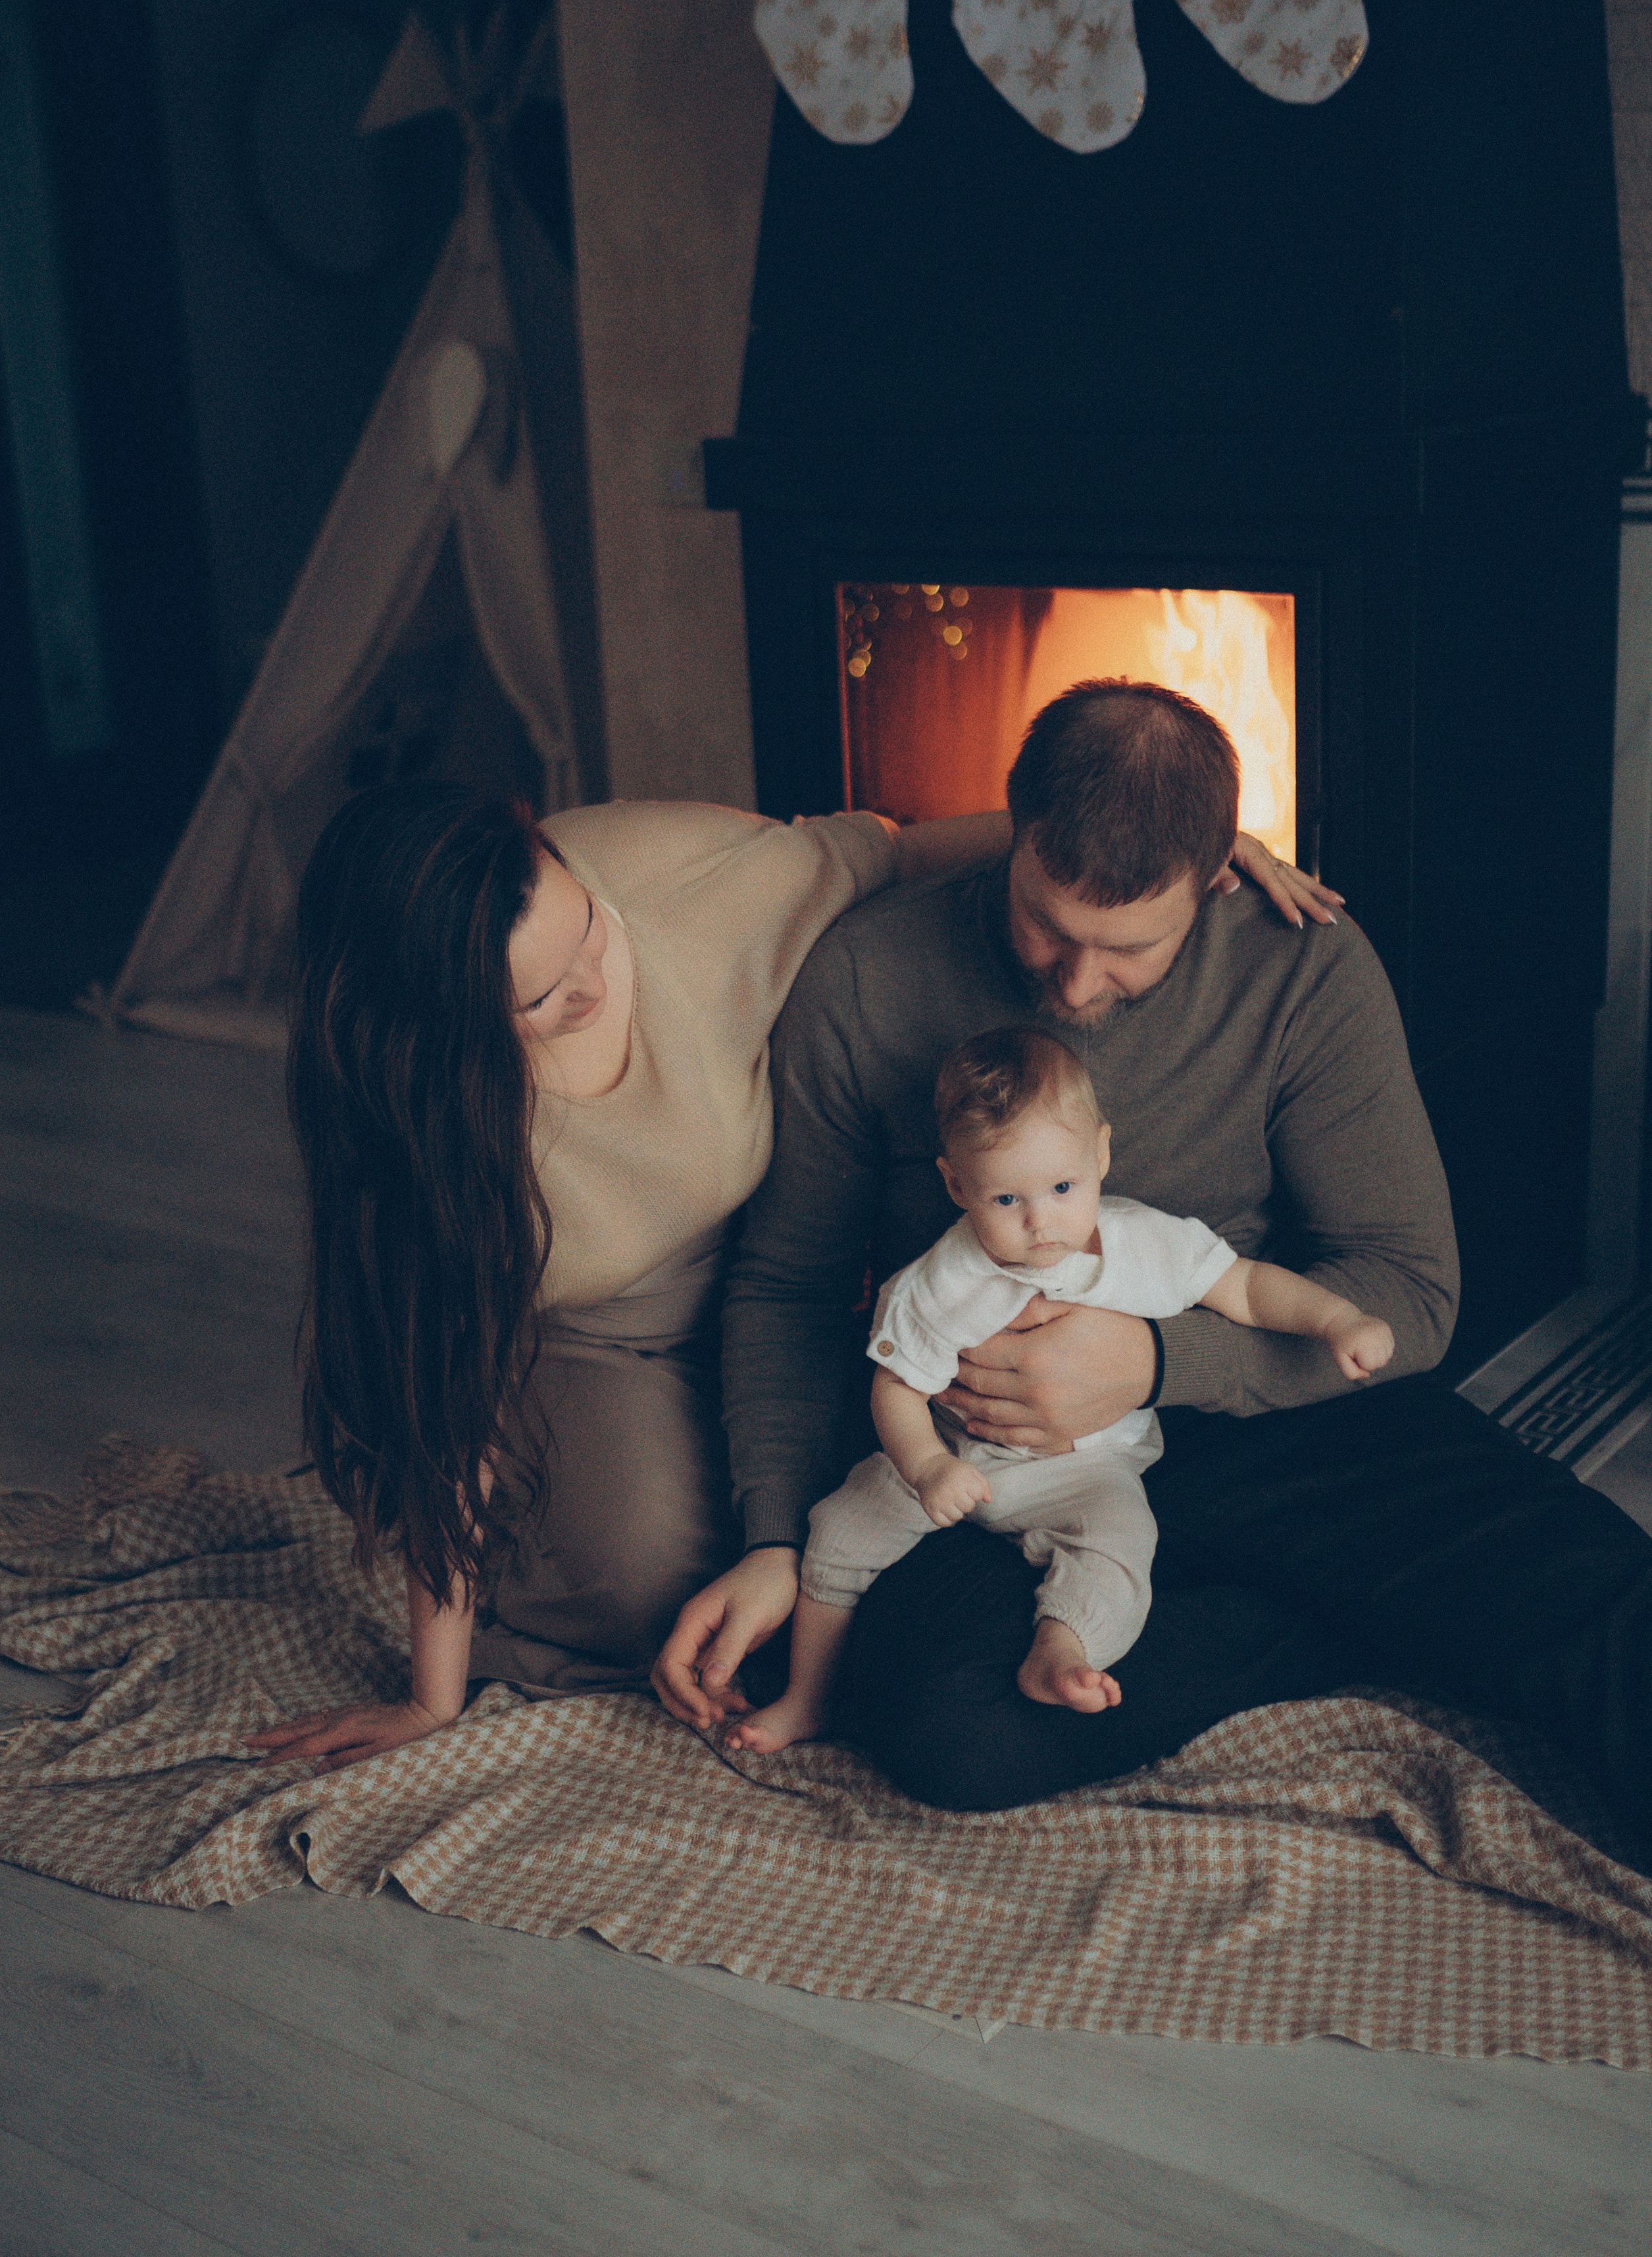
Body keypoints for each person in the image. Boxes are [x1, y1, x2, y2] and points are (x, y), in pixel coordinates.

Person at [654, 680, 1652, 1850]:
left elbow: (1410, 1286)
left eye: (1128, 947)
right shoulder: (868, 977)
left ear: (1218, 871)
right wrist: (775, 1533)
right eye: (1046, 924)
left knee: (1585, 1593)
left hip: (1267, 1404)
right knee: (946, 1727)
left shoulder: (1300, 966)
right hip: (996, 1462)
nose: (1075, 986)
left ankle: (1328, 1585)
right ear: (1013, 832)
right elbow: (784, 1285)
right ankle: (1333, 1616)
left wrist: (1157, 1358)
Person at [244, 774, 1324, 1773]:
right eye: (543, 1000)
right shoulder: (417, 1122)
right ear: (446, 1023)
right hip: (593, 1330)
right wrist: (432, 1697)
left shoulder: (677, 871)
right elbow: (442, 1405)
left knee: (858, 1523)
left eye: (583, 932)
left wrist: (1174, 849)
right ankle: (551, 1506)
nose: (591, 979)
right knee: (675, 1595)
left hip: (783, 1281)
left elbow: (896, 849)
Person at [730, 1025, 1392, 1755]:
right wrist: (925, 1466)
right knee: (840, 1531)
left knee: (1120, 1537)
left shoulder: (1143, 1242)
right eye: (1007, 1197)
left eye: (1063, 1187)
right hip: (953, 1457)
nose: (1040, 1220)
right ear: (956, 1184)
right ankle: (808, 1695)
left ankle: (1063, 1647)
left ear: (1101, 1154)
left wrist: (1336, 1317)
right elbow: (895, 1390)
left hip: (1084, 1465)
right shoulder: (937, 1283)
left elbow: (1246, 1287)